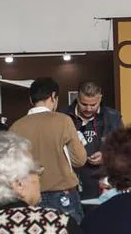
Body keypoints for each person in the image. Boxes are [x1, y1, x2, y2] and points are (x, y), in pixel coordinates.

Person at [8, 78, 87, 223]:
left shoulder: (16, 127)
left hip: (28, 195)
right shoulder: (63, 120)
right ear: (53, 96)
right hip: (62, 195)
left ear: (31, 99)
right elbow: (79, 160)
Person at [66, 81, 122, 200]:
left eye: (93, 105)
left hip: (104, 184)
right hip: (70, 184)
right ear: (77, 97)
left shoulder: (113, 117)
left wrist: (106, 156)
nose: (88, 108)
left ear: (100, 98)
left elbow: (124, 148)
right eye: (84, 104)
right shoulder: (63, 117)